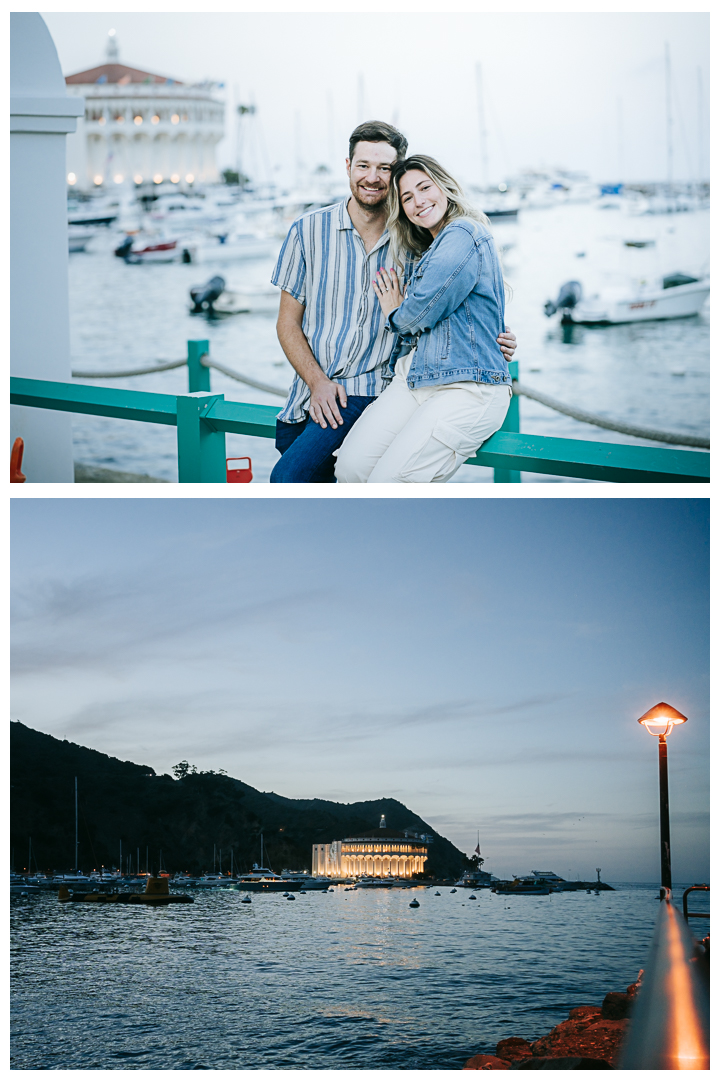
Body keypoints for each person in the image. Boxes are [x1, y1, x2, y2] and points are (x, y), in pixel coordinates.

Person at [269, 122, 517, 483]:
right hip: (314, 392)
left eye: (384, 168)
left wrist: (498, 335)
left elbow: (458, 296)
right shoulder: (307, 231)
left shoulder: (416, 241)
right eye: (364, 165)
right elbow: (286, 323)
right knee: (334, 481)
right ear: (348, 166)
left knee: (291, 481)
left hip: (376, 389)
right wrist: (317, 382)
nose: (372, 177)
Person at [334, 155, 512, 484]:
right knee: (350, 469)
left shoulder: (463, 232)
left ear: (444, 186)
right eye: (407, 198)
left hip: (466, 387)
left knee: (387, 485)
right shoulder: (426, 249)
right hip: (415, 378)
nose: (419, 201)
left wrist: (395, 312)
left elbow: (418, 313)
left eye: (425, 187)